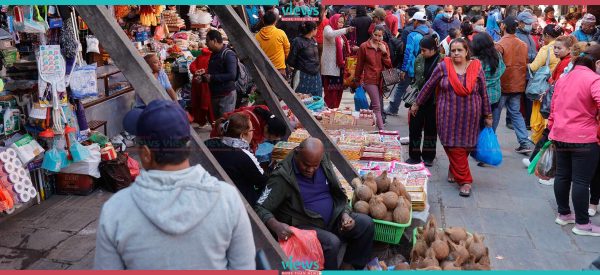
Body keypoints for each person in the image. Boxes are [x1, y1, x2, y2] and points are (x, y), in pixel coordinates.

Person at [94, 100, 255, 269]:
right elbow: (244, 267)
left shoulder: (116, 210)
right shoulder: (228, 199)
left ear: (146, 154)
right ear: (188, 147)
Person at [255, 138, 375, 270]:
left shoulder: (323, 162)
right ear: (296, 154)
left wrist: (345, 214)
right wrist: (276, 226)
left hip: (333, 219)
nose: (310, 170)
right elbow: (260, 208)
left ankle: (349, 268)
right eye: (306, 165)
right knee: (331, 243)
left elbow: (339, 193)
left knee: (366, 224)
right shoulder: (282, 177)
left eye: (315, 166)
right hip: (305, 226)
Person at [410, 38, 492, 197]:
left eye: (459, 50)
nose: (456, 53)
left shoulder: (476, 67)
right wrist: (417, 103)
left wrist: (487, 114)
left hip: (471, 117)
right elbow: (428, 87)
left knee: (466, 146)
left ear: (467, 51)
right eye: (453, 50)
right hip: (447, 115)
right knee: (452, 146)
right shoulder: (443, 67)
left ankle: (454, 169)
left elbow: (484, 93)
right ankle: (465, 181)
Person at [548, 44, 600, 237]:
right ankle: (582, 223)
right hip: (584, 137)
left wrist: (552, 127)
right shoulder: (594, 79)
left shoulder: (564, 78)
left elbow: (554, 106)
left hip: (560, 133)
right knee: (581, 181)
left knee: (562, 175)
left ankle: (563, 214)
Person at [523, 35, 577, 185]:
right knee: (548, 135)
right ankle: (538, 163)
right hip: (558, 106)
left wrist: (552, 82)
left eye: (559, 48)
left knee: (551, 137)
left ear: (570, 49)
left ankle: (550, 173)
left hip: (561, 107)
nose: (556, 50)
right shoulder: (563, 62)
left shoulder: (567, 63)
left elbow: (560, 84)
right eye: (555, 47)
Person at [205, 113, 267, 204]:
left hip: (210, 195)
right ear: (242, 135)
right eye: (251, 130)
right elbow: (263, 181)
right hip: (238, 201)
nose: (253, 133)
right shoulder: (243, 155)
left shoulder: (209, 143)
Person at [495, 16, 535, 154]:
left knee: (495, 114)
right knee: (516, 113)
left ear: (503, 27)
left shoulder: (499, 45)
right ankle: (524, 142)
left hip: (502, 85)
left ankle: (489, 147)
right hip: (518, 84)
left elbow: (496, 67)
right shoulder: (523, 44)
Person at [405, 35, 443, 167]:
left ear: (433, 49)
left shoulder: (442, 61)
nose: (421, 53)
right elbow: (416, 78)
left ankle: (428, 157)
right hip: (418, 98)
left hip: (434, 100)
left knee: (431, 130)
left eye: (424, 50)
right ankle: (414, 156)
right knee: (414, 128)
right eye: (421, 50)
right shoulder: (420, 59)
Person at [385, 11, 431, 116]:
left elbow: (408, 54)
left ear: (416, 21)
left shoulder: (412, 35)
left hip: (412, 68)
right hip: (427, 68)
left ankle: (392, 109)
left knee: (401, 87)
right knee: (422, 90)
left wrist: (403, 70)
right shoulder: (433, 33)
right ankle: (420, 114)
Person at [528, 24, 562, 146]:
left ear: (547, 35)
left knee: (540, 114)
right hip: (559, 86)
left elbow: (534, 67)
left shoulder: (546, 49)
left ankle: (538, 139)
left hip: (545, 87)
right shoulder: (566, 46)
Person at [354, 25, 392, 130]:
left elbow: (389, 65)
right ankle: (381, 131)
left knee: (373, 106)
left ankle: (367, 126)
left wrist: (384, 52)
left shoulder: (384, 46)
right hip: (369, 79)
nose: (377, 38)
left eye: (380, 36)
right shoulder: (364, 46)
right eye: (375, 35)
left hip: (381, 80)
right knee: (377, 106)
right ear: (372, 33)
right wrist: (356, 80)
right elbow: (359, 65)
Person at [209, 105, 287, 153]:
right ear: (266, 127)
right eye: (269, 137)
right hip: (222, 143)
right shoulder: (248, 122)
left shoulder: (263, 114)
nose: (267, 138)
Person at [471, 32, 506, 134]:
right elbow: (503, 68)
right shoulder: (497, 55)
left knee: (477, 130)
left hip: (480, 99)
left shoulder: (475, 62)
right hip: (495, 97)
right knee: (490, 130)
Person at [203, 30, 238, 119]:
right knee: (218, 123)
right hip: (215, 94)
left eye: (207, 41)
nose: (206, 44)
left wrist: (212, 77)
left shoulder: (228, 54)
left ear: (214, 41)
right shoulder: (214, 54)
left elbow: (232, 75)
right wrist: (204, 77)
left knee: (224, 123)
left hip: (226, 95)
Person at [321, 13, 354, 109]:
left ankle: (335, 110)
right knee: (330, 91)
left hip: (340, 66)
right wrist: (346, 30)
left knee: (338, 90)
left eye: (342, 22)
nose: (340, 24)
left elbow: (343, 47)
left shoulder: (340, 34)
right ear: (334, 20)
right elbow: (330, 34)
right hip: (330, 67)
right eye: (339, 22)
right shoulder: (328, 28)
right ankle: (329, 110)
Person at [288, 21, 323, 97]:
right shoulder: (297, 41)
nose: (317, 30)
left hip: (315, 75)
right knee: (301, 99)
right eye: (316, 28)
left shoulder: (314, 40)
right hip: (303, 74)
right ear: (313, 30)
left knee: (316, 99)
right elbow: (291, 60)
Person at [255, 11, 291, 77]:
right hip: (279, 68)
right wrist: (285, 60)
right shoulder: (280, 33)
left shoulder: (257, 36)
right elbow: (287, 49)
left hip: (265, 68)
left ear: (263, 21)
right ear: (275, 21)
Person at [189, 47, 214, 127]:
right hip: (206, 82)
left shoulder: (199, 57)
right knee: (208, 104)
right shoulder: (212, 57)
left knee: (198, 102)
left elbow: (192, 66)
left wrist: (196, 71)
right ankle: (213, 123)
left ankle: (201, 122)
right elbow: (212, 69)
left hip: (196, 82)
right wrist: (204, 71)